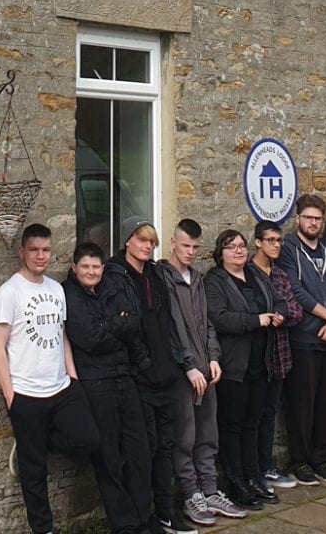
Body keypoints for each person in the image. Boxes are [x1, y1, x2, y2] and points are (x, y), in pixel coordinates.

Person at [0, 224, 143, 534]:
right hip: (26, 393)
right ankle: (43, 528)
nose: (40, 255)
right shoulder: (9, 292)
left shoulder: (55, 289)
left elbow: (63, 337)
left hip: (61, 387)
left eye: (45, 250)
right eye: (34, 250)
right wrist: (11, 397)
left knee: (90, 439)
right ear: (22, 252)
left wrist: (72, 378)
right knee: (34, 471)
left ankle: (38, 440)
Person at [106, 220, 200, 534]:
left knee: (166, 447)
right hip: (139, 377)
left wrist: (180, 363)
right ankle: (142, 518)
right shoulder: (115, 276)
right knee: (142, 451)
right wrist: (142, 363)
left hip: (167, 374)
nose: (147, 246)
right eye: (141, 240)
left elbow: (171, 322)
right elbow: (121, 327)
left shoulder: (157, 274)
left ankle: (165, 512)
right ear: (127, 242)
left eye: (151, 242)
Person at [62, 241, 156, 534]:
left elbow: (134, 324)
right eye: (86, 267)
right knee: (109, 458)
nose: (91, 272)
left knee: (140, 449)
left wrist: (109, 325)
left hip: (123, 378)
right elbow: (88, 337)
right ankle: (125, 524)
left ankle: (143, 517)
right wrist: (116, 325)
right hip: (95, 384)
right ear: (75, 269)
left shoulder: (109, 288)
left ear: (103, 268)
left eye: (96, 266)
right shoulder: (69, 294)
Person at [161, 219, 246, 526]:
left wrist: (213, 358)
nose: (191, 252)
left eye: (196, 247)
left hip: (204, 368)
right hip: (181, 373)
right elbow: (172, 327)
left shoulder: (197, 279)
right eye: (186, 246)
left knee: (208, 433)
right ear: (173, 243)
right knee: (185, 435)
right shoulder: (164, 278)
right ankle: (191, 494)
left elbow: (207, 322)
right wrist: (187, 366)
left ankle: (210, 490)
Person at [203, 228, 284, 509]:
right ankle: (235, 482)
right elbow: (219, 318)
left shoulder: (255, 276)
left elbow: (278, 299)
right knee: (233, 426)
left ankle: (253, 477)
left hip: (260, 363)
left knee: (253, 423)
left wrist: (279, 313)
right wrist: (256, 320)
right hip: (234, 365)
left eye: (240, 245)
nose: (238, 251)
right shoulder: (215, 281)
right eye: (230, 247)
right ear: (220, 253)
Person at [277, 194, 326, 485]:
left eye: (318, 218)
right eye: (308, 217)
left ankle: (321, 459)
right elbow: (295, 290)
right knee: (301, 405)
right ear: (298, 219)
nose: (313, 223)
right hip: (303, 339)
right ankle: (300, 461)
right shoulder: (289, 249)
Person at [250, 219, 303, 491]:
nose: (276, 245)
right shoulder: (247, 272)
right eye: (270, 240)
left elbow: (295, 310)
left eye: (279, 240)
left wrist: (281, 315)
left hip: (279, 354)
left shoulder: (280, 274)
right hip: (256, 357)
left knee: (269, 412)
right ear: (258, 242)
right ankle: (253, 470)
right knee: (252, 415)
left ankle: (266, 465)